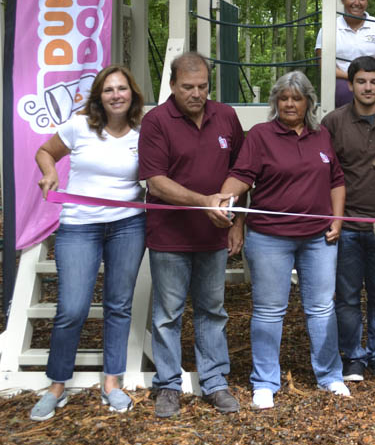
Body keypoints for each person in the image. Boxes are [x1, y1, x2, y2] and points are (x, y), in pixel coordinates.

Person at [212, 71, 349, 410]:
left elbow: (336, 179)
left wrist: (337, 217)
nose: (290, 103)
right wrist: (223, 199)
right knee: (270, 311)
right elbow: (242, 176)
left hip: (318, 238)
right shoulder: (260, 135)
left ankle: (331, 376)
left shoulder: (322, 136)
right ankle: (264, 382)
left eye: (297, 98)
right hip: (269, 237)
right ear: (275, 102)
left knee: (321, 309)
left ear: (308, 103)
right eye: (284, 98)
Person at [29, 65, 147, 421]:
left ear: (132, 94)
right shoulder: (79, 126)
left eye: (122, 88)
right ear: (99, 96)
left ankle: (111, 383)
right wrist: (50, 173)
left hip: (127, 226)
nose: (116, 95)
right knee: (72, 309)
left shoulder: (143, 134)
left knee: (119, 305)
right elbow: (45, 152)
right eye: (109, 89)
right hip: (79, 226)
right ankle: (57, 386)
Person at [138, 52, 244, 418]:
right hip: (169, 236)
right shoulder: (156, 121)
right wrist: (204, 202)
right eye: (187, 87)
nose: (196, 94)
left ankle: (214, 382)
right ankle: (168, 385)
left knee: (212, 310)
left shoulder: (226, 116)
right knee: (168, 313)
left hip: (214, 236)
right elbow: (156, 181)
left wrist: (238, 221)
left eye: (202, 87)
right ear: (172, 85)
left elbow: (242, 170)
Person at [321, 56, 375, 382]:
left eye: (374, 81)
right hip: (347, 225)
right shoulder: (334, 122)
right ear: (351, 85)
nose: (368, 87)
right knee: (346, 296)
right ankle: (353, 358)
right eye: (362, 81)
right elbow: (324, 172)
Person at [315, 0, 375, 107]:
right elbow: (324, 65)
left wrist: (368, 79)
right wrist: (355, 78)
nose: (356, 3)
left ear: (367, 1)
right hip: (342, 79)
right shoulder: (329, 28)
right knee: (346, 94)